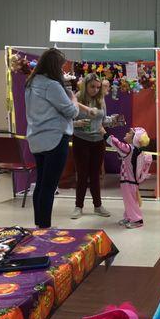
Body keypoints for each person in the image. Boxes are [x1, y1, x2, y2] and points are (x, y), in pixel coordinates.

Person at [25, 48, 96, 229]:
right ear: (54, 66)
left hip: (36, 138)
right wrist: (72, 97)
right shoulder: (52, 85)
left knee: (41, 183)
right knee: (49, 185)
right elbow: (71, 111)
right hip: (55, 139)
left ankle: (39, 225)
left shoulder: (31, 83)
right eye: (61, 66)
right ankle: (45, 228)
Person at [71, 73, 112, 219]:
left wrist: (113, 120)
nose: (95, 90)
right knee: (82, 174)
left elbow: (104, 119)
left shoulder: (101, 99)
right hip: (81, 140)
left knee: (95, 175)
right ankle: (78, 206)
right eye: (92, 87)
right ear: (85, 86)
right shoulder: (76, 98)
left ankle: (98, 206)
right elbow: (66, 119)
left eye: (97, 87)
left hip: (98, 142)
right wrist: (77, 124)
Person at [102, 127, 152, 228]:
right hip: (128, 181)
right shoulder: (135, 150)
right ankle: (129, 216)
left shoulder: (130, 149)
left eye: (129, 133)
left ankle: (137, 219)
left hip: (129, 181)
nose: (126, 133)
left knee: (130, 200)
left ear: (135, 138)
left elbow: (117, 144)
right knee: (129, 200)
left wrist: (105, 134)